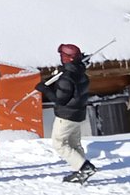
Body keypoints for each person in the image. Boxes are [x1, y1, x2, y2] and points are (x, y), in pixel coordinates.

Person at [36, 43, 98, 184]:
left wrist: (44, 89)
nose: (61, 58)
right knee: (74, 144)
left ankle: (84, 167)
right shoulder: (80, 73)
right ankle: (80, 171)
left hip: (66, 116)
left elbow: (60, 100)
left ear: (67, 58)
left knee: (59, 143)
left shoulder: (67, 77)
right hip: (78, 114)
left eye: (62, 55)